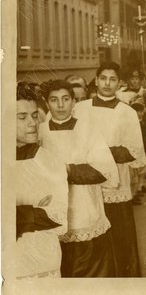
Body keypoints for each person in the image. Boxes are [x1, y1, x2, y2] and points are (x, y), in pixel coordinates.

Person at [73, 62, 146, 277]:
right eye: (103, 78)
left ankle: (123, 279)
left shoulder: (127, 112)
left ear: (119, 83)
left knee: (118, 233)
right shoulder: (81, 108)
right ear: (96, 80)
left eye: (112, 79)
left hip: (115, 185)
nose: (107, 83)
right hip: (86, 182)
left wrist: (101, 154)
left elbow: (134, 150)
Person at [39, 80, 119, 277]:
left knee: (90, 269)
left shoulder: (88, 129)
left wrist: (65, 170)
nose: (60, 105)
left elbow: (103, 169)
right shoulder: (40, 132)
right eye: (54, 100)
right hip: (50, 212)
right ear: (46, 103)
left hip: (85, 209)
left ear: (74, 101)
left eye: (65, 99)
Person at [15, 83, 68, 279]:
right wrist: (32, 211)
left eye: (35, 116)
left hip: (40, 263)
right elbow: (39, 215)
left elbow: (57, 219)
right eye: (22, 117)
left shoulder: (50, 162)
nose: (32, 123)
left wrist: (13, 213)